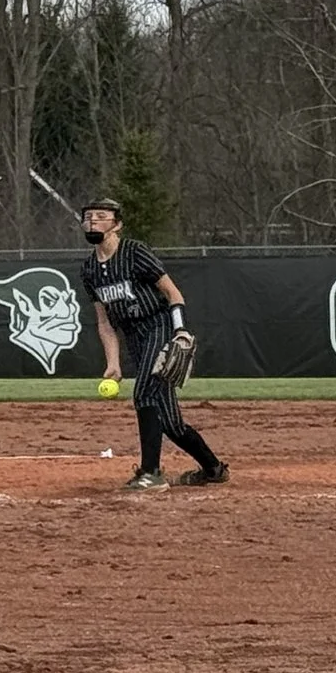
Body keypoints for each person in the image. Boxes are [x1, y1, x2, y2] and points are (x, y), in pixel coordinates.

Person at [80, 197, 230, 491]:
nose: (92, 221)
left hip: (159, 327)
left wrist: (181, 331)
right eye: (87, 217)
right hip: (135, 338)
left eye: (101, 216)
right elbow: (105, 323)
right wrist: (113, 362)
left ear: (117, 224)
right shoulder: (89, 270)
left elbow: (173, 294)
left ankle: (151, 473)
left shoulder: (135, 252)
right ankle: (213, 469)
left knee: (144, 393)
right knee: (171, 422)